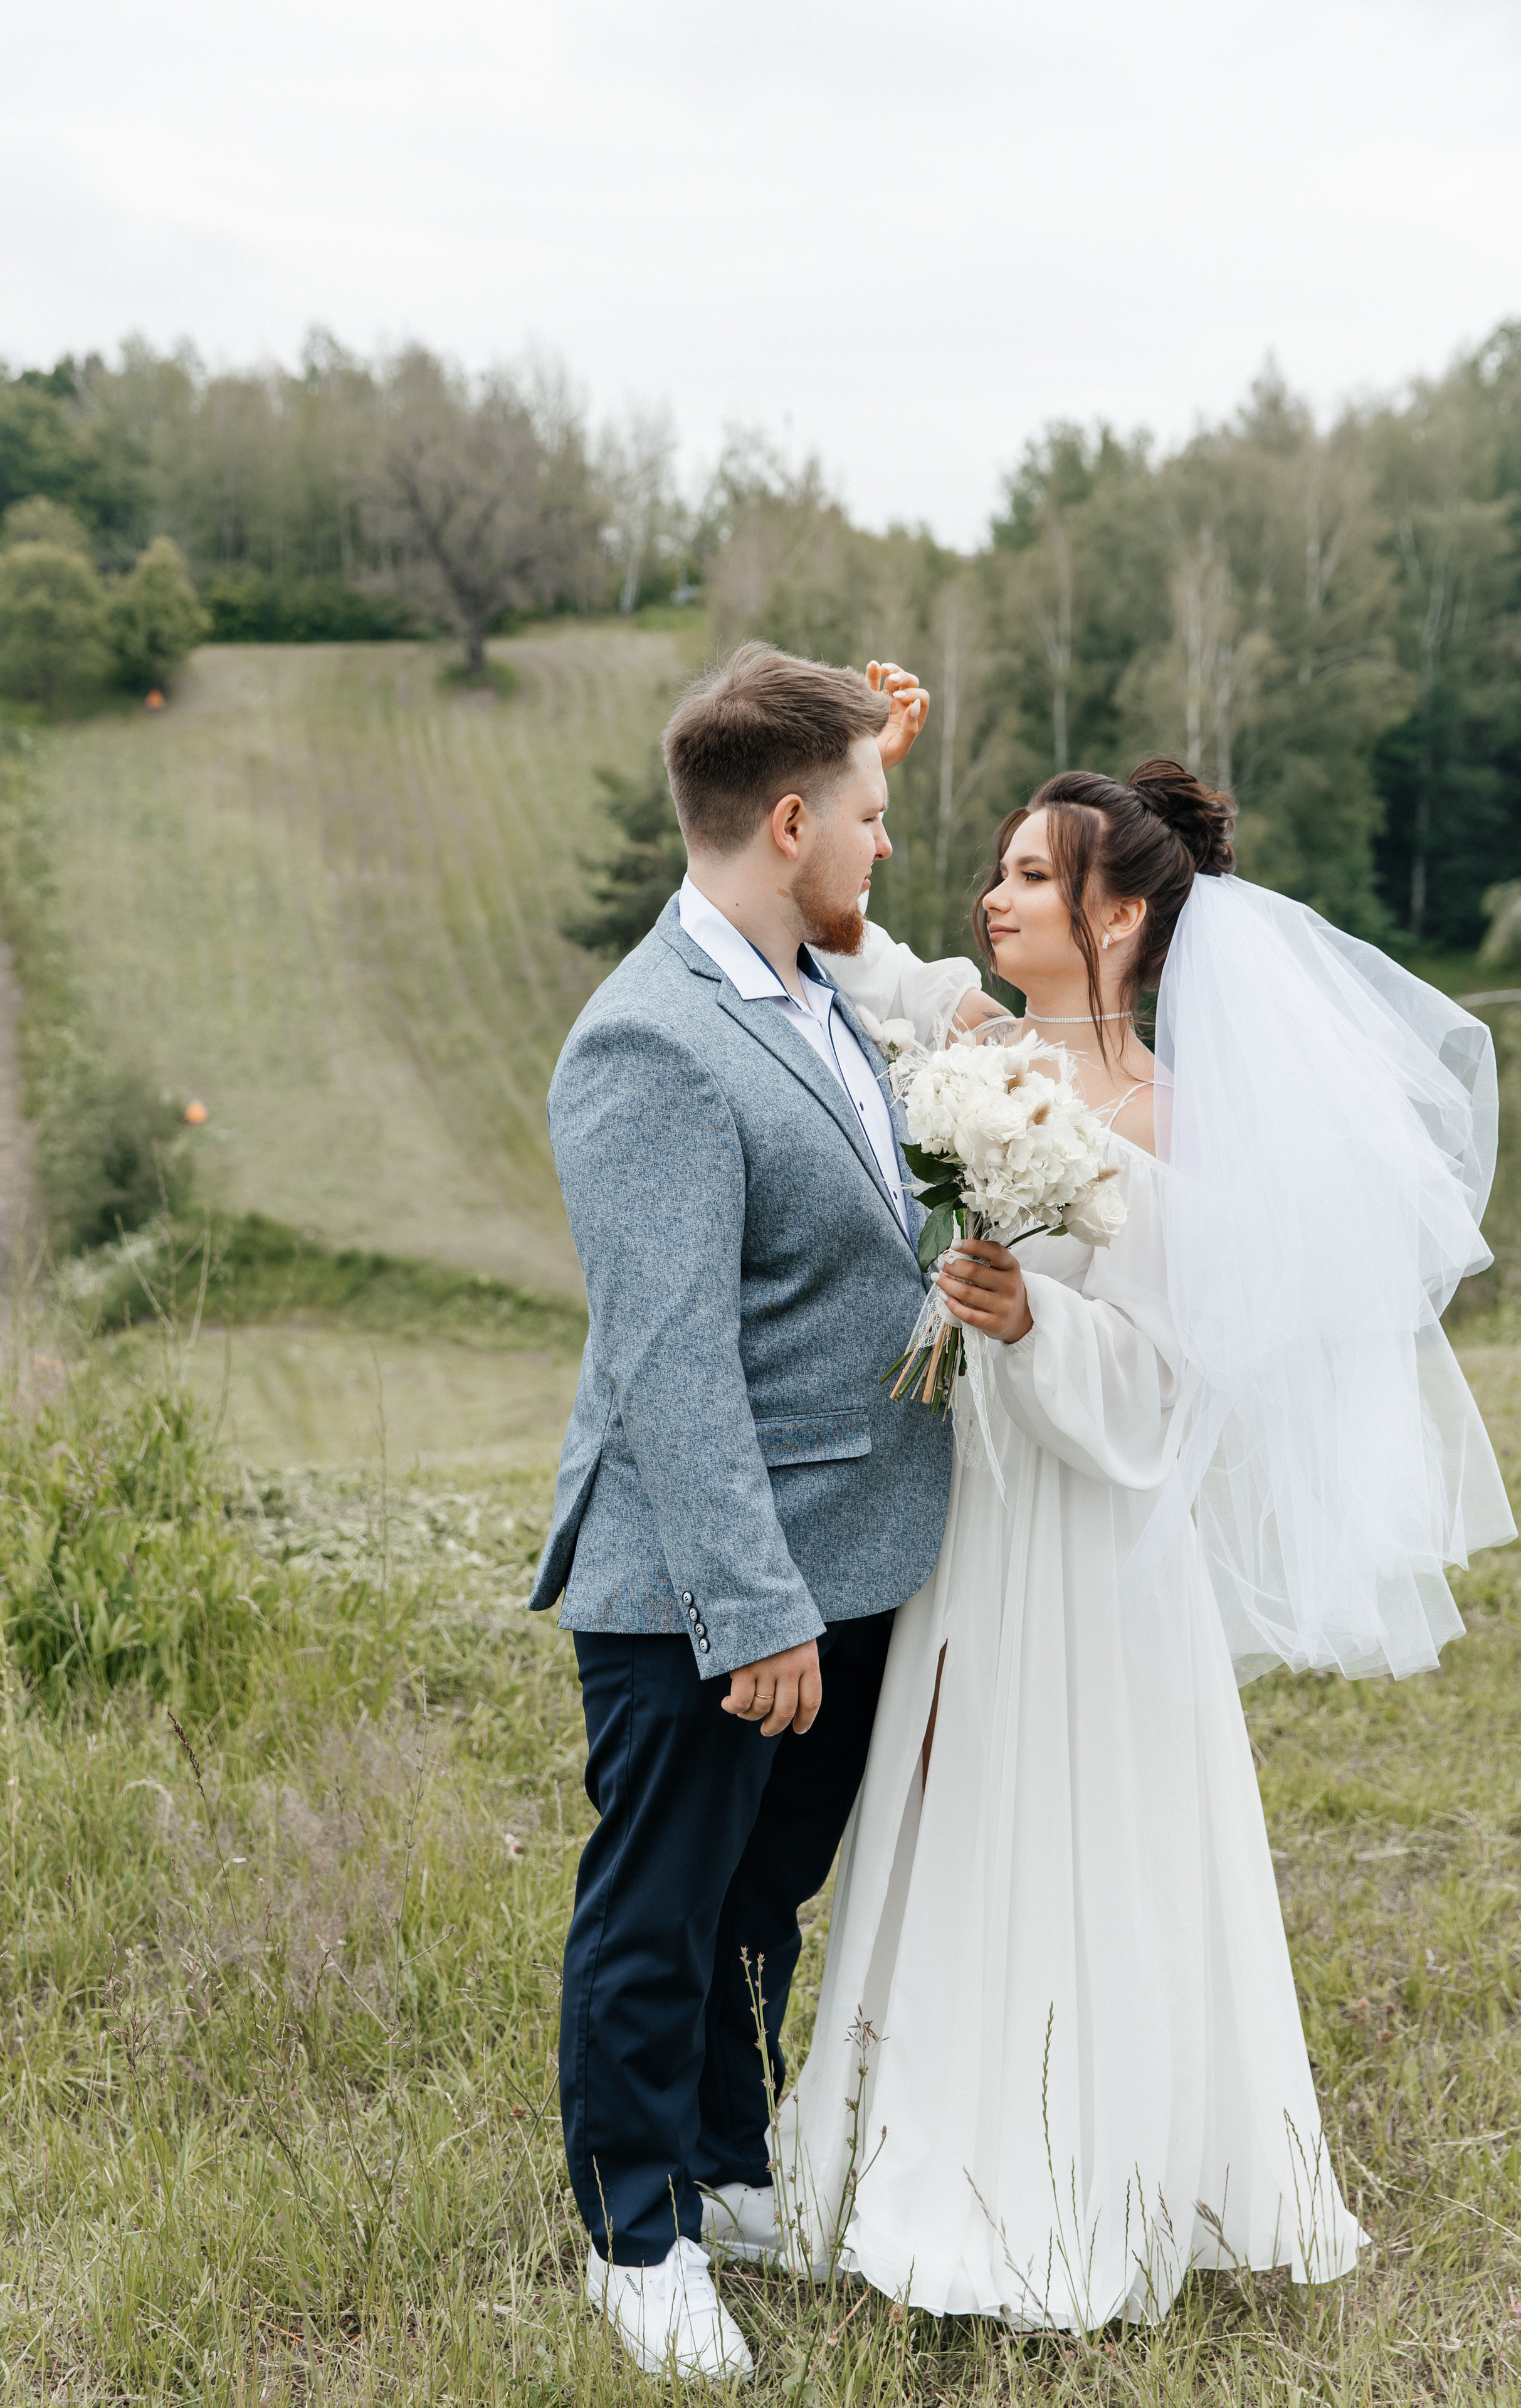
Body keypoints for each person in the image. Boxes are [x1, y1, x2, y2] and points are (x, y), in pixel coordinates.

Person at [735, 761, 1516, 2328]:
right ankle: (907, 2155)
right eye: (1000, 871)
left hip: (1093, 1554)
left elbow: (1174, 1393)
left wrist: (1034, 1327)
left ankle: (1084, 2180)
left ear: (1116, 912)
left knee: (1083, 1832)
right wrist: (865, 760)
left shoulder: (1173, 1122)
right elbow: (839, 938)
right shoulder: (972, 1050)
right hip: (971, 1536)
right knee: (946, 1822)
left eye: (1031, 877)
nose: (993, 896)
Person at [528, 642, 996, 2379]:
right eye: (870, 816)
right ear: (790, 822)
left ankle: (728, 2168)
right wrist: (759, 1607)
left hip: (848, 1565)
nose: (887, 846)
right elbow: (670, 1364)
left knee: (758, 1893)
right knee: (660, 1903)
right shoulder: (650, 1042)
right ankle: (632, 2230)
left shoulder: (805, 988)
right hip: (712, 1586)